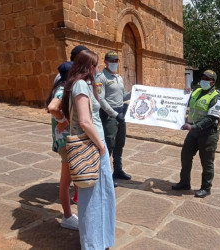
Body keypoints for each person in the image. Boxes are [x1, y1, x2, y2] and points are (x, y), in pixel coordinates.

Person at [62, 49, 115, 249]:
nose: (97, 68)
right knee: (95, 198)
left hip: (92, 146)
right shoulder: (82, 85)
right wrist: (102, 147)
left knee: (98, 196)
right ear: (87, 67)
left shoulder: (77, 84)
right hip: (92, 148)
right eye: (95, 65)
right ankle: (94, 243)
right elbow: (85, 120)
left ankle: (97, 240)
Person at [45, 45, 89, 231]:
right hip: (66, 141)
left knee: (68, 180)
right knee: (65, 182)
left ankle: (71, 213)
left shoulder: (62, 84)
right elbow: (53, 107)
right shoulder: (64, 89)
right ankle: (67, 216)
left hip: (65, 139)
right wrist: (63, 119)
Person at [172, 69, 220, 198]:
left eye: (207, 79)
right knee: (185, 156)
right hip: (193, 133)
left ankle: (206, 188)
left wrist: (193, 126)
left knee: (207, 162)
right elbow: (185, 102)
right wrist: (185, 93)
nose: (203, 81)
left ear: (213, 82)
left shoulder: (216, 97)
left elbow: (211, 118)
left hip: (207, 134)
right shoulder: (196, 92)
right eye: (202, 78)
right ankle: (184, 183)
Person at [95, 51, 131, 184]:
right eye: (111, 60)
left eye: (116, 60)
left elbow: (123, 96)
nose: (114, 62)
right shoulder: (101, 78)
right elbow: (101, 99)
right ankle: (104, 175)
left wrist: (135, 92)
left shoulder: (118, 77)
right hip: (109, 116)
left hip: (121, 114)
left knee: (120, 144)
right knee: (109, 144)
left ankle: (118, 170)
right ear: (105, 62)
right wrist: (115, 114)